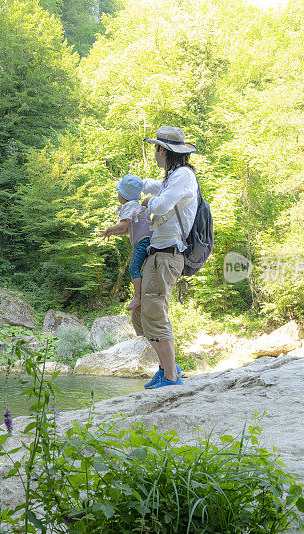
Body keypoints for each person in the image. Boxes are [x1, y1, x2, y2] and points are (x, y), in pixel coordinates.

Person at [134, 125, 199, 389]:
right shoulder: (173, 176)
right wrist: (134, 184)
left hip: (168, 254)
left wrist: (146, 201)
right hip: (158, 254)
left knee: (155, 312)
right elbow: (154, 186)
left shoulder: (183, 175)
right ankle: (167, 368)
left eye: (157, 148)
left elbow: (160, 203)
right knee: (141, 314)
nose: (156, 153)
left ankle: (171, 377)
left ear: (164, 150)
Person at [100, 174, 152, 311]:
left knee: (133, 267)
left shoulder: (129, 206)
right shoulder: (135, 205)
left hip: (142, 241)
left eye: (119, 192)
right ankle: (139, 295)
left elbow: (123, 226)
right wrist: (112, 232)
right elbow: (128, 230)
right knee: (138, 267)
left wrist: (110, 228)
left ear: (123, 195)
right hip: (146, 239)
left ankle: (137, 297)